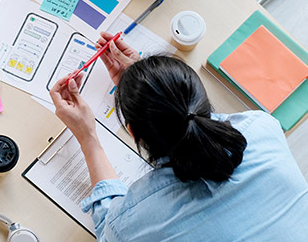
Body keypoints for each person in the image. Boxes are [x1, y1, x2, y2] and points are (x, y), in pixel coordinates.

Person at [48, 33, 308, 241]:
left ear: (133, 132)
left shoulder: (134, 220)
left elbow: (108, 233)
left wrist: (88, 136)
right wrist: (150, 83)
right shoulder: (262, 127)